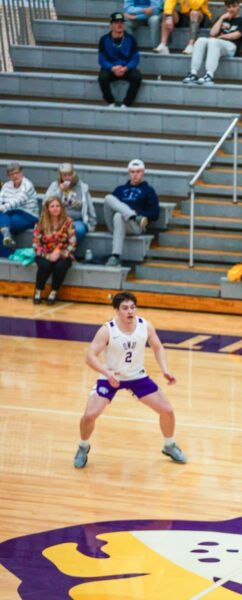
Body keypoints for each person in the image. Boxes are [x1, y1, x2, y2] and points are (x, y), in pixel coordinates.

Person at [74, 292, 187, 469]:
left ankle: (169, 445)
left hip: (137, 376)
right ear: (117, 311)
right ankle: (83, 446)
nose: (130, 311)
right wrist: (107, 372)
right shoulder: (107, 330)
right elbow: (90, 357)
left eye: (132, 307)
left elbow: (158, 347)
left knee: (167, 410)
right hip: (110, 376)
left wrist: (165, 370)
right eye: (125, 308)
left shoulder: (145, 326)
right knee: (89, 415)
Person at [103, 159, 159, 267]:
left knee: (119, 215)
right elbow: (111, 205)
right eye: (132, 172)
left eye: (138, 171)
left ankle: (115, 256)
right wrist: (132, 213)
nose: (135, 175)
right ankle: (133, 216)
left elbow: (155, 214)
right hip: (115, 224)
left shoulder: (149, 191)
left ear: (143, 172)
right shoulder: (120, 189)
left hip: (134, 226)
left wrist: (138, 212)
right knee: (108, 198)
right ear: (129, 173)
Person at [180, 0, 242, 85]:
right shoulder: (221, 19)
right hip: (216, 44)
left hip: (232, 47)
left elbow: (236, 35)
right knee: (201, 40)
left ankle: (209, 75)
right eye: (229, 7)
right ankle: (193, 73)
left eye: (234, 6)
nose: (231, 9)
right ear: (225, 8)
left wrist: (220, 37)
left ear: (238, 6)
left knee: (213, 41)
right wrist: (222, 18)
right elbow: (212, 33)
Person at [31, 197, 76, 305]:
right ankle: (38, 290)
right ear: (47, 209)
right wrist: (48, 256)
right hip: (44, 253)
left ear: (61, 207)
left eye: (57, 206)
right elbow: (35, 243)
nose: (55, 208)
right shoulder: (41, 222)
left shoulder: (68, 222)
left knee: (60, 266)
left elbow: (73, 243)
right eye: (52, 206)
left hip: (63, 253)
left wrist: (61, 253)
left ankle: (54, 292)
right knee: (45, 265)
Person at [45, 163, 96, 248]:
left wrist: (92, 223)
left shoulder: (82, 187)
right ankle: (58, 252)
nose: (68, 177)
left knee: (78, 230)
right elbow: (46, 203)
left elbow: (90, 206)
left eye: (70, 174)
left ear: (74, 174)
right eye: (65, 175)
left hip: (77, 220)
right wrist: (59, 191)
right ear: (61, 176)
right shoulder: (54, 186)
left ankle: (67, 252)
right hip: (58, 219)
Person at [98, 12, 142, 108]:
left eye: (121, 22)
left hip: (125, 68)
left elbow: (135, 59)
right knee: (102, 77)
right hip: (111, 68)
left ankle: (126, 104)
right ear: (111, 25)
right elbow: (101, 59)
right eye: (116, 22)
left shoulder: (131, 39)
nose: (119, 25)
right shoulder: (104, 39)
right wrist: (112, 68)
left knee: (137, 76)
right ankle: (110, 102)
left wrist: (126, 68)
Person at [0, 162, 39, 248]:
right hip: (12, 211)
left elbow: (18, 201)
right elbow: (1, 198)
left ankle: (6, 233)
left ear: (21, 173)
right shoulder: (6, 185)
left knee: (11, 222)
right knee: (4, 218)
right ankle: (6, 235)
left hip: (28, 214)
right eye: (11, 174)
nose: (14, 176)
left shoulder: (27, 185)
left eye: (17, 173)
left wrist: (2, 208)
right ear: (8, 176)